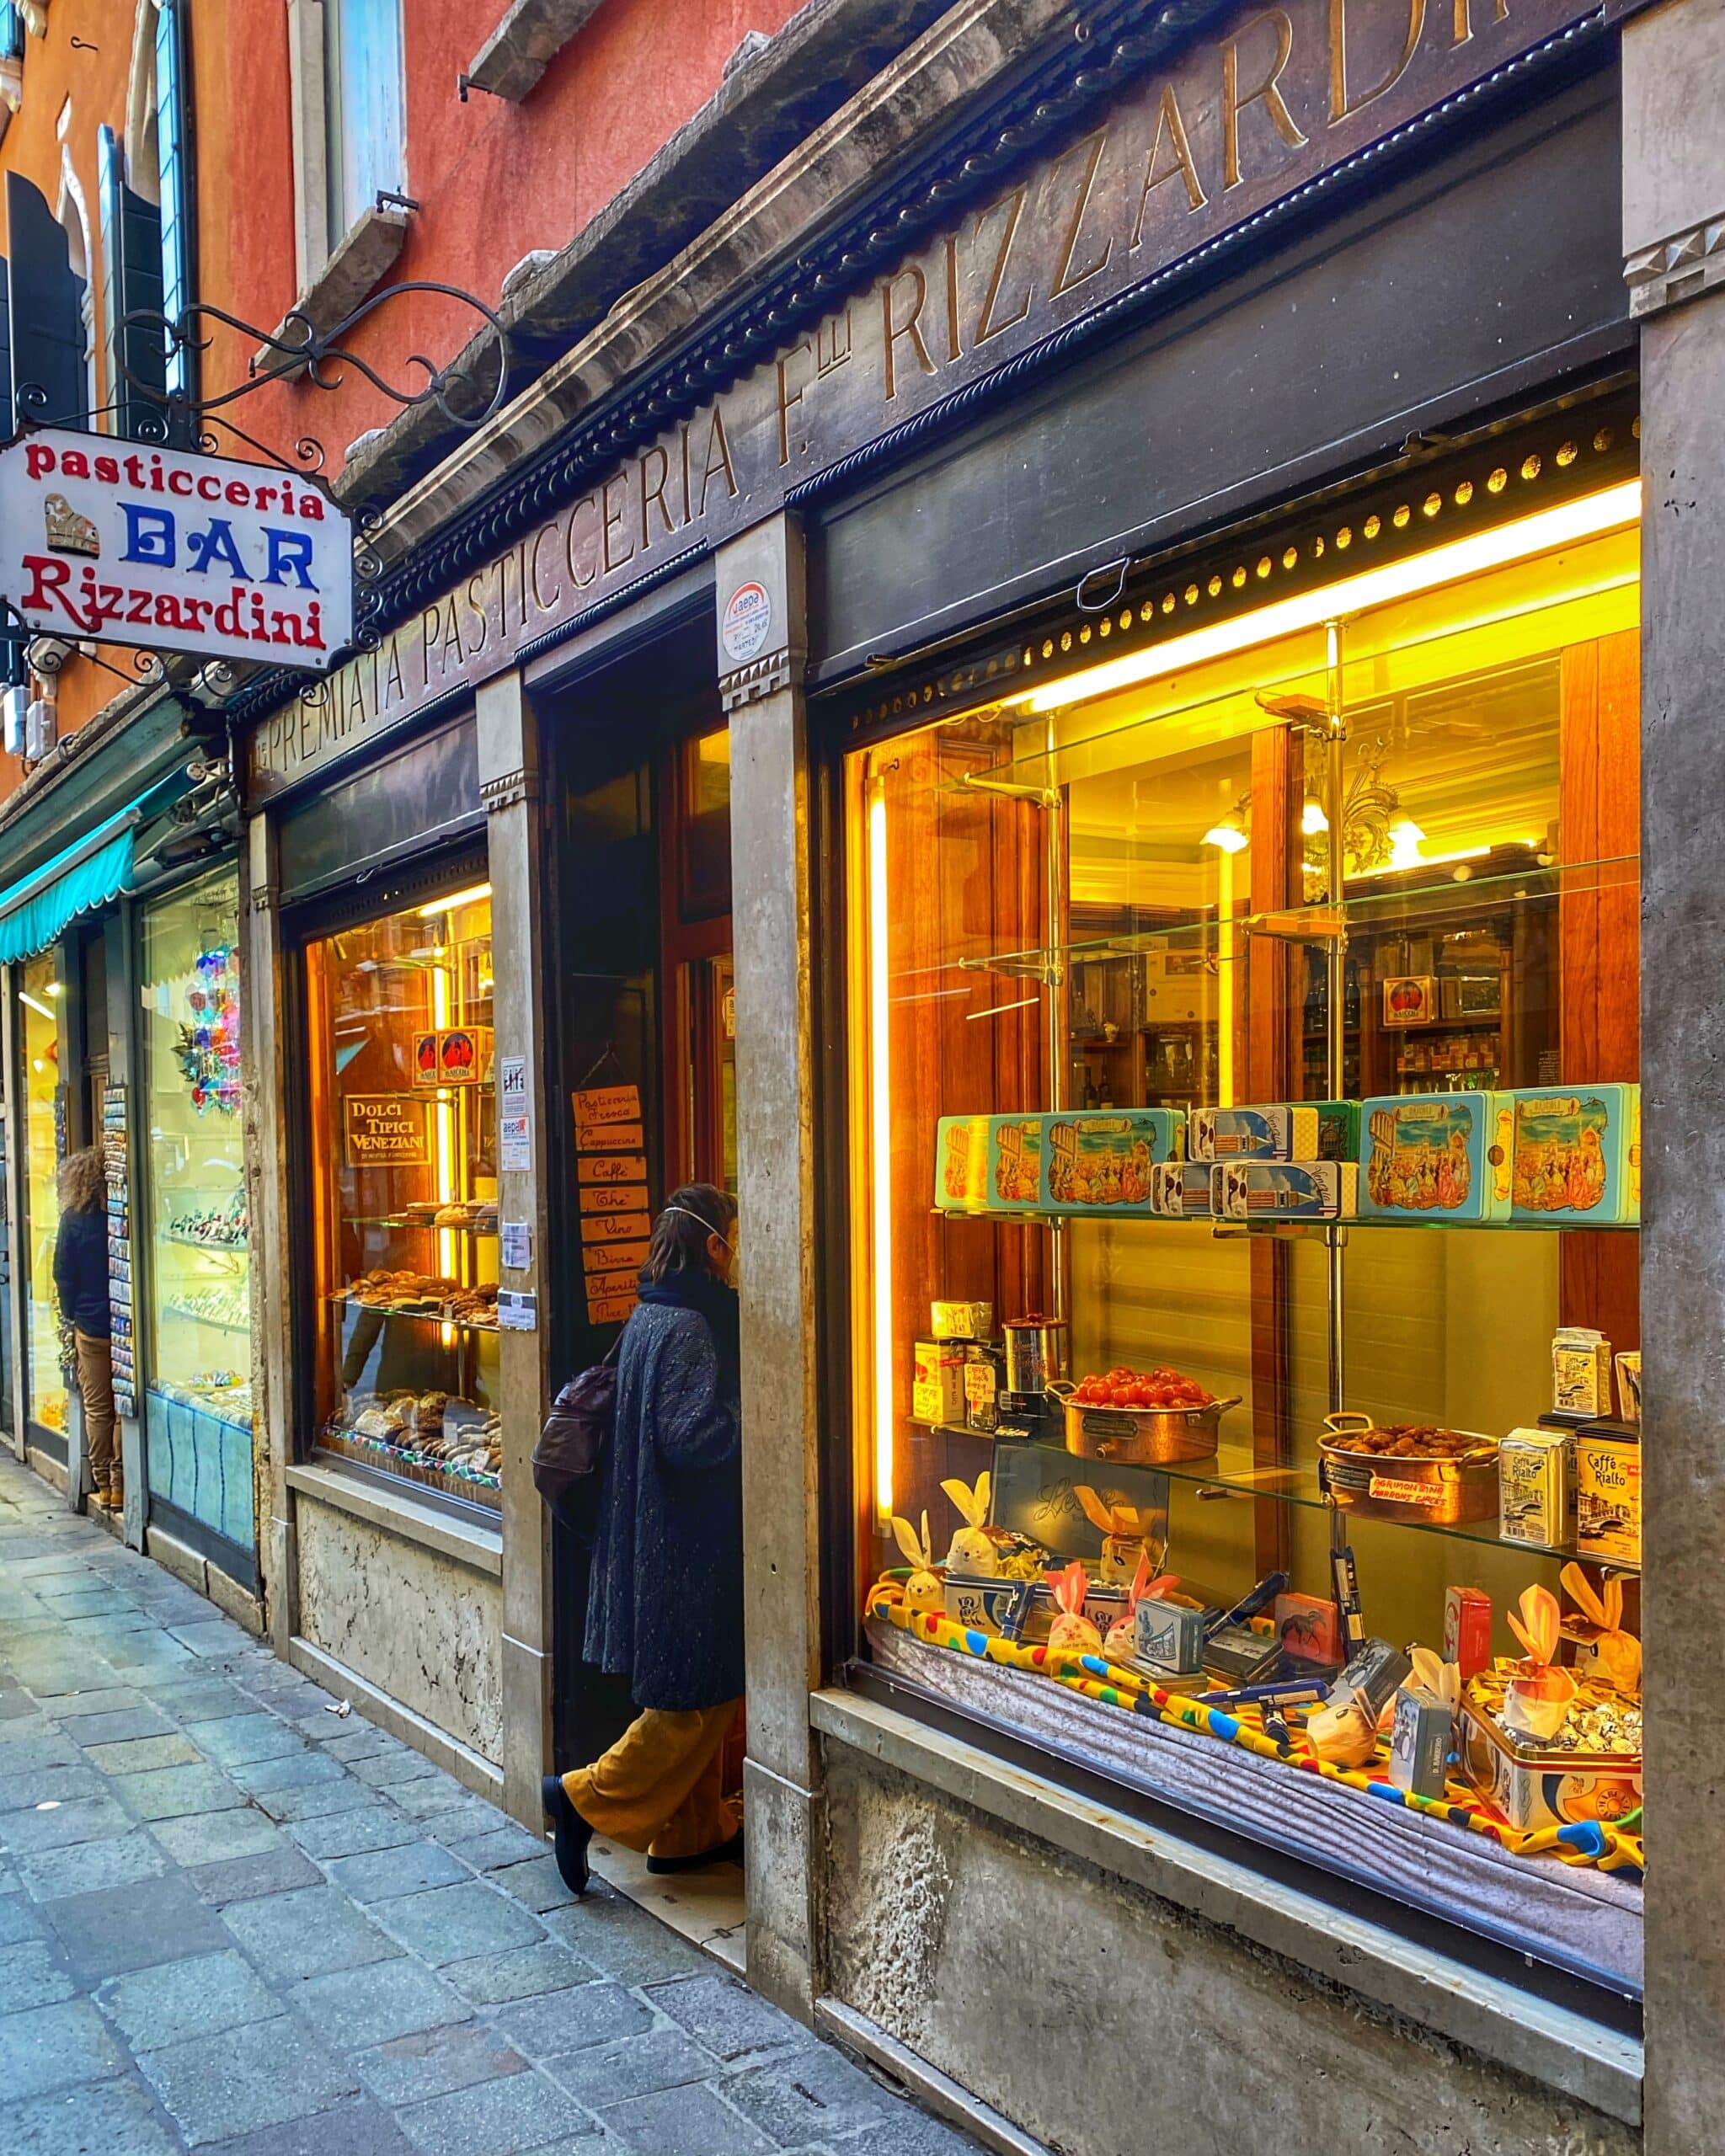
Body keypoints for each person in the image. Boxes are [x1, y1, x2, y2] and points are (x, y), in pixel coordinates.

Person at [543, 1183, 744, 1894]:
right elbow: (691, 1436)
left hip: (658, 1536)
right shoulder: (690, 1323)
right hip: (685, 1544)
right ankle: (581, 1796)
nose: (736, 1251)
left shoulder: (654, 1311)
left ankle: (691, 1831)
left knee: (705, 1690)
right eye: (731, 1235)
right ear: (711, 1244)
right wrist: (759, 1417)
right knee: (690, 1705)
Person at [53, 1146, 118, 1512]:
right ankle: (123, 1484)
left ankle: (105, 1483)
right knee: (124, 1405)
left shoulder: (73, 1219)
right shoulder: (120, 1216)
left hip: (90, 1325)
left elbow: (63, 1273)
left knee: (97, 1407)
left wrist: (70, 1314)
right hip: (126, 1326)